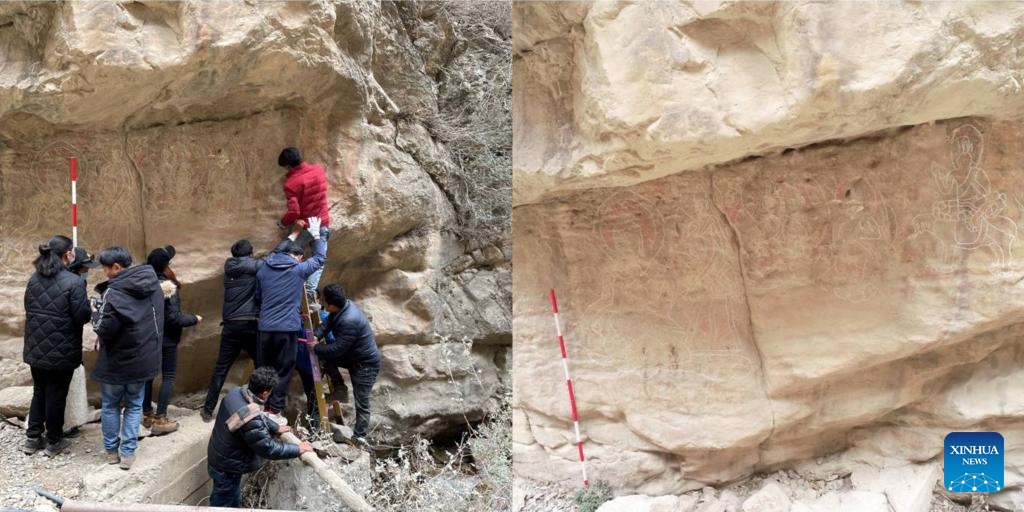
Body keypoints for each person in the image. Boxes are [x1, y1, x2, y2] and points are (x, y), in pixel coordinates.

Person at [91, 247, 163, 470]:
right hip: (142, 359)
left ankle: (112, 452)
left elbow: (105, 329)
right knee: (134, 405)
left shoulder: (114, 292)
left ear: (117, 268)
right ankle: (128, 454)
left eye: (105, 268)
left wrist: (94, 312)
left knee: (111, 405)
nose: (103, 272)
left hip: (116, 360)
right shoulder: (154, 286)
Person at [22, 236, 92, 457]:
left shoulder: (34, 278)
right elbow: (82, 317)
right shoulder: (74, 282)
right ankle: (54, 441)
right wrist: (90, 307)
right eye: (72, 251)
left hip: (36, 347)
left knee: (39, 390)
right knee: (56, 394)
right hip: (62, 350)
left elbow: (28, 306)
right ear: (67, 255)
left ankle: (32, 438)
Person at [206, 366, 312, 508]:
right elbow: (268, 448)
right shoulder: (251, 418)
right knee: (222, 503)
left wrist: (276, 427)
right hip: (227, 468)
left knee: (231, 498)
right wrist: (298, 449)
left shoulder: (237, 393)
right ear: (265, 393)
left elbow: (257, 415)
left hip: (219, 456)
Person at [256, 217, 326, 423]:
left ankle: (260, 406)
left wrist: (295, 232)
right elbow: (320, 258)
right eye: (300, 257)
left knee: (264, 369)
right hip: (286, 329)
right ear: (295, 256)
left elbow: (258, 297)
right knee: (284, 369)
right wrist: (316, 235)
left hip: (264, 328)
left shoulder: (263, 269)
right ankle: (274, 410)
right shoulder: (297, 270)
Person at [308, 283, 381, 445]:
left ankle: (359, 437)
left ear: (332, 305)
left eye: (324, 302)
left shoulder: (350, 320)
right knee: (325, 358)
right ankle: (340, 389)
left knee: (361, 402)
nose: (323, 304)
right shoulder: (343, 308)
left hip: (365, 365)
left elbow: (337, 349)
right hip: (353, 358)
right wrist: (316, 336)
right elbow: (327, 324)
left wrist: (316, 347)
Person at [201, 239, 263, 422]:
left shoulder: (229, 266)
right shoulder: (254, 265)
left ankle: (207, 409)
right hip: (250, 324)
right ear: (250, 253)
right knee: (262, 365)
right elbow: (271, 262)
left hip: (230, 325)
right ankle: (259, 404)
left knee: (221, 368)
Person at [143, 246, 201, 435]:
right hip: (166, 338)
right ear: (166, 265)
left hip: (147, 336)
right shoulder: (168, 287)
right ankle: (160, 418)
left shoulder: (143, 283)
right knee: (168, 377)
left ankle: (146, 414)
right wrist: (194, 318)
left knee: (148, 376)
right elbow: (173, 318)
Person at [277, 147, 331, 294]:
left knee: (288, 255)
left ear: (287, 166)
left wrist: (282, 223)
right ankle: (309, 292)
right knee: (319, 260)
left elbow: (294, 211)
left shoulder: (291, 183)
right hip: (322, 223)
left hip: (306, 227)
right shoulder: (318, 170)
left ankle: (289, 288)